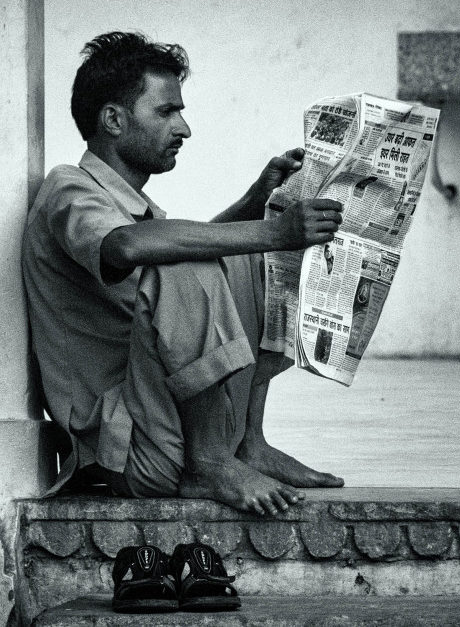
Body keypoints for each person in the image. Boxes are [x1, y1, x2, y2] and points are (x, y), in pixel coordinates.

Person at [22, 32, 345, 517]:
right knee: (194, 253)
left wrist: (257, 203)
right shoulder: (68, 187)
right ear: (113, 119)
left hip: (163, 422)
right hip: (128, 446)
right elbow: (132, 248)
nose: (184, 128)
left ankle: (247, 443)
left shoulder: (137, 208)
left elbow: (188, 263)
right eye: (166, 111)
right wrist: (274, 231)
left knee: (247, 256)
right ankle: (210, 461)